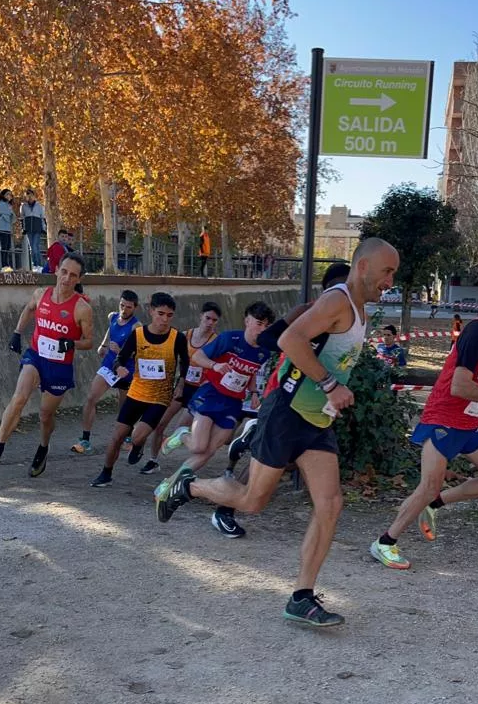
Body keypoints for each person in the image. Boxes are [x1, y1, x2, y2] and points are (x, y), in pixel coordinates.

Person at [156, 238, 400, 628]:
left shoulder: (360, 310)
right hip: (286, 413)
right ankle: (189, 487)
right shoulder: (337, 301)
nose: (390, 280)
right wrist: (330, 385)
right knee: (252, 502)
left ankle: (302, 598)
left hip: (316, 421)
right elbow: (287, 340)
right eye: (387, 271)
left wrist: (333, 391)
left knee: (331, 504)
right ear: (364, 266)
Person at [370, 279, 478, 571]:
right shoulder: (477, 331)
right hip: (443, 416)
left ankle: (435, 504)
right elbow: (460, 386)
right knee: (428, 485)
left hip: (469, 419)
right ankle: (385, 542)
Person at [211, 261, 351, 539]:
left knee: (280, 464)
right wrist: (302, 347)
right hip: (286, 394)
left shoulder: (351, 315)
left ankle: (250, 439)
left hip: (314, 403)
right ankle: (222, 508)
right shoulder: (311, 310)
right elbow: (269, 338)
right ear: (334, 287)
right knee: (267, 473)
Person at [0, 253, 93, 477]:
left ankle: (43, 447)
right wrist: (17, 333)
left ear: (78, 279)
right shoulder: (41, 294)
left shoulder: (82, 308)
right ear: (56, 270)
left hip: (59, 367)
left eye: (73, 275)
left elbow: (89, 341)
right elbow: (29, 309)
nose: (66, 278)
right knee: (19, 398)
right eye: (64, 272)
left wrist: (71, 344)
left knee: (45, 415)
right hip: (36, 356)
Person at [153, 300, 275, 500]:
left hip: (233, 403)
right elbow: (197, 357)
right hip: (211, 396)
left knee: (208, 452)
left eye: (265, 326)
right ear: (247, 321)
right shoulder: (229, 339)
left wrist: (253, 393)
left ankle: (169, 484)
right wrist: (214, 366)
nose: (261, 329)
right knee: (199, 447)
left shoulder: (264, 351)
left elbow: (251, 372)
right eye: (258, 323)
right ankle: (183, 434)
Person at [90, 293, 189, 487]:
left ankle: (138, 443)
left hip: (160, 398)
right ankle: (106, 473)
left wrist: (181, 384)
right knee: (117, 436)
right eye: (160, 313)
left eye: (169, 315)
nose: (164, 319)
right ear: (151, 311)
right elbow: (121, 357)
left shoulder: (177, 338)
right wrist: (119, 367)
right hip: (136, 392)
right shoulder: (138, 334)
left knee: (135, 436)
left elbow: (185, 363)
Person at [139, 301, 222, 475]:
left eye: (214, 320)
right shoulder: (186, 336)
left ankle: (187, 467)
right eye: (207, 318)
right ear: (201, 316)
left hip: (200, 391)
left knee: (180, 429)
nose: (210, 323)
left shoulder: (217, 342)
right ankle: (153, 460)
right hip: (182, 386)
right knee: (160, 424)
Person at [71, 289, 140, 454]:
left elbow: (139, 352)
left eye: (128, 307)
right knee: (91, 398)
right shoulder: (113, 316)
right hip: (109, 365)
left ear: (135, 308)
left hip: (125, 369)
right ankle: (85, 440)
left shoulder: (136, 326)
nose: (124, 309)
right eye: (122, 305)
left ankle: (127, 437)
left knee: (124, 407)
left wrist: (121, 350)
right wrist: (104, 346)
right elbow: (110, 332)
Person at [20, 188, 45, 268]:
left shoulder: (39, 206)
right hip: (28, 229)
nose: (29, 197)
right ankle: (35, 265)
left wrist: (43, 228)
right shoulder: (23, 206)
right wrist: (23, 228)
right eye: (27, 195)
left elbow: (42, 218)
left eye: (31, 195)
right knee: (32, 248)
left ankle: (38, 264)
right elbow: (22, 218)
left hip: (37, 228)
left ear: (34, 196)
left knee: (35, 247)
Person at [0, 188, 15, 268]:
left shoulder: (9, 206)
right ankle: (2, 263)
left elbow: (13, 218)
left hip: (8, 228)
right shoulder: (1, 204)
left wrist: (11, 216)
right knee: (3, 246)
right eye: (8, 194)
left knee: (7, 246)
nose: (10, 196)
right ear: (3, 195)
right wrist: (10, 215)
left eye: (10, 194)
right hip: (2, 228)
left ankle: (5, 263)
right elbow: (7, 217)